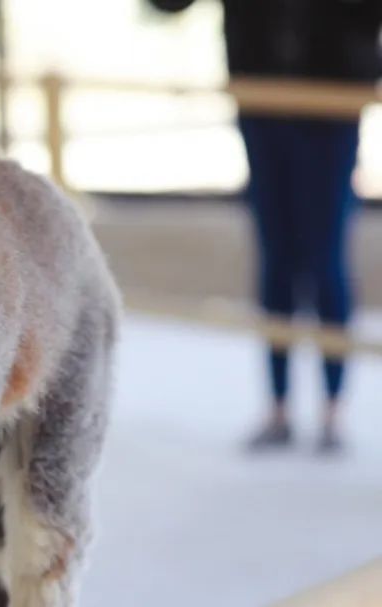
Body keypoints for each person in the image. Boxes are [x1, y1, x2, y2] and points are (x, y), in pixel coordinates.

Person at [148, 0, 382, 453]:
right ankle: (279, 408)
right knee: (277, 256)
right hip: (262, 103)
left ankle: (333, 409)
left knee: (324, 256)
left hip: (331, 105)